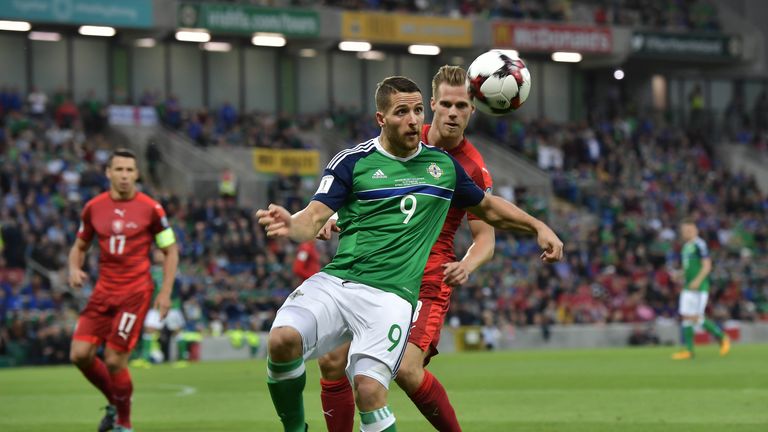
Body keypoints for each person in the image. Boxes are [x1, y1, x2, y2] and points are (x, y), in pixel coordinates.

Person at [257, 76, 563, 432]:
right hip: (340, 281)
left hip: (391, 297)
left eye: (417, 111)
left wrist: (538, 226)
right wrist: (289, 224)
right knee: (283, 340)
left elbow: (489, 210)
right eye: (403, 112)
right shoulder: (352, 162)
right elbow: (312, 218)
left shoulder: (445, 168)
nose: (414, 119)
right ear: (381, 119)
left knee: (371, 389)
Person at [316, 65, 496, 432]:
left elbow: (486, 239)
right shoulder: (404, 136)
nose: (452, 113)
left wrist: (468, 264)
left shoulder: (473, 167)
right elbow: (365, 185)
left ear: (472, 111)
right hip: (377, 269)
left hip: (428, 276)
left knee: (407, 370)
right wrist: (333, 217)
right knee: (332, 360)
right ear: (431, 105)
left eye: (462, 106)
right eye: (445, 104)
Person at [68, 149, 179, 432]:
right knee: (80, 354)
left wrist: (165, 292)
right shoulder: (93, 207)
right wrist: (74, 268)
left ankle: (124, 425)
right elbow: (80, 245)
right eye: (119, 170)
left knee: (115, 359)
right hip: (103, 291)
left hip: (135, 292)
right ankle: (114, 404)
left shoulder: (151, 209)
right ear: (108, 173)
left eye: (130, 170)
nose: (125, 176)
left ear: (137, 174)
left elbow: (170, 250)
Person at [672, 219, 730, 360]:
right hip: (688, 286)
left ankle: (722, 337)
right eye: (684, 230)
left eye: (689, 230)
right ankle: (689, 350)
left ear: (695, 230)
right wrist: (678, 275)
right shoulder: (686, 247)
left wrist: (697, 281)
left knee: (696, 317)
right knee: (685, 316)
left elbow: (707, 265)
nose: (687, 232)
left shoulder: (700, 244)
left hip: (699, 287)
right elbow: (687, 268)